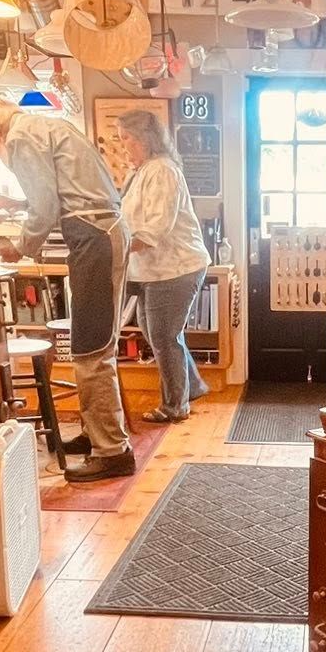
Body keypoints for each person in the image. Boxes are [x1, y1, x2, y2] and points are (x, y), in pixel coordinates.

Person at [0, 95, 134, 483]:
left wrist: (20, 247)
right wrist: (16, 203)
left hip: (93, 236)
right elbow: (56, 195)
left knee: (90, 346)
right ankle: (98, 435)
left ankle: (113, 450)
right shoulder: (47, 127)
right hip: (99, 232)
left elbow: (46, 208)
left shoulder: (21, 137)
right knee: (93, 342)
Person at [117, 106, 212, 424]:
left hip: (176, 268)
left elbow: (155, 228)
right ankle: (192, 386)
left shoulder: (162, 170)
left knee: (164, 336)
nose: (123, 146)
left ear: (144, 138)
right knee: (157, 333)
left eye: (126, 138)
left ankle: (176, 405)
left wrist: (116, 248)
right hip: (153, 270)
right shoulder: (140, 172)